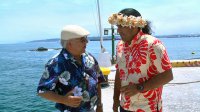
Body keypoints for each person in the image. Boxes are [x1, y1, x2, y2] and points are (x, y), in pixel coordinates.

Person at [108, 8, 174, 112]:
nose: (118, 30)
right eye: (118, 26)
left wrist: (139, 87)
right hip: (125, 106)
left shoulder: (153, 44)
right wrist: (116, 99)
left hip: (148, 108)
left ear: (134, 25)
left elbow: (168, 75)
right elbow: (119, 73)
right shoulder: (120, 45)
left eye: (121, 26)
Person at [37, 25, 105, 112]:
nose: (86, 42)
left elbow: (98, 81)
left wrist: (99, 105)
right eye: (82, 40)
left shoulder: (89, 57)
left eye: (86, 38)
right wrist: (63, 100)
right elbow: (42, 91)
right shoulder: (56, 63)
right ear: (69, 44)